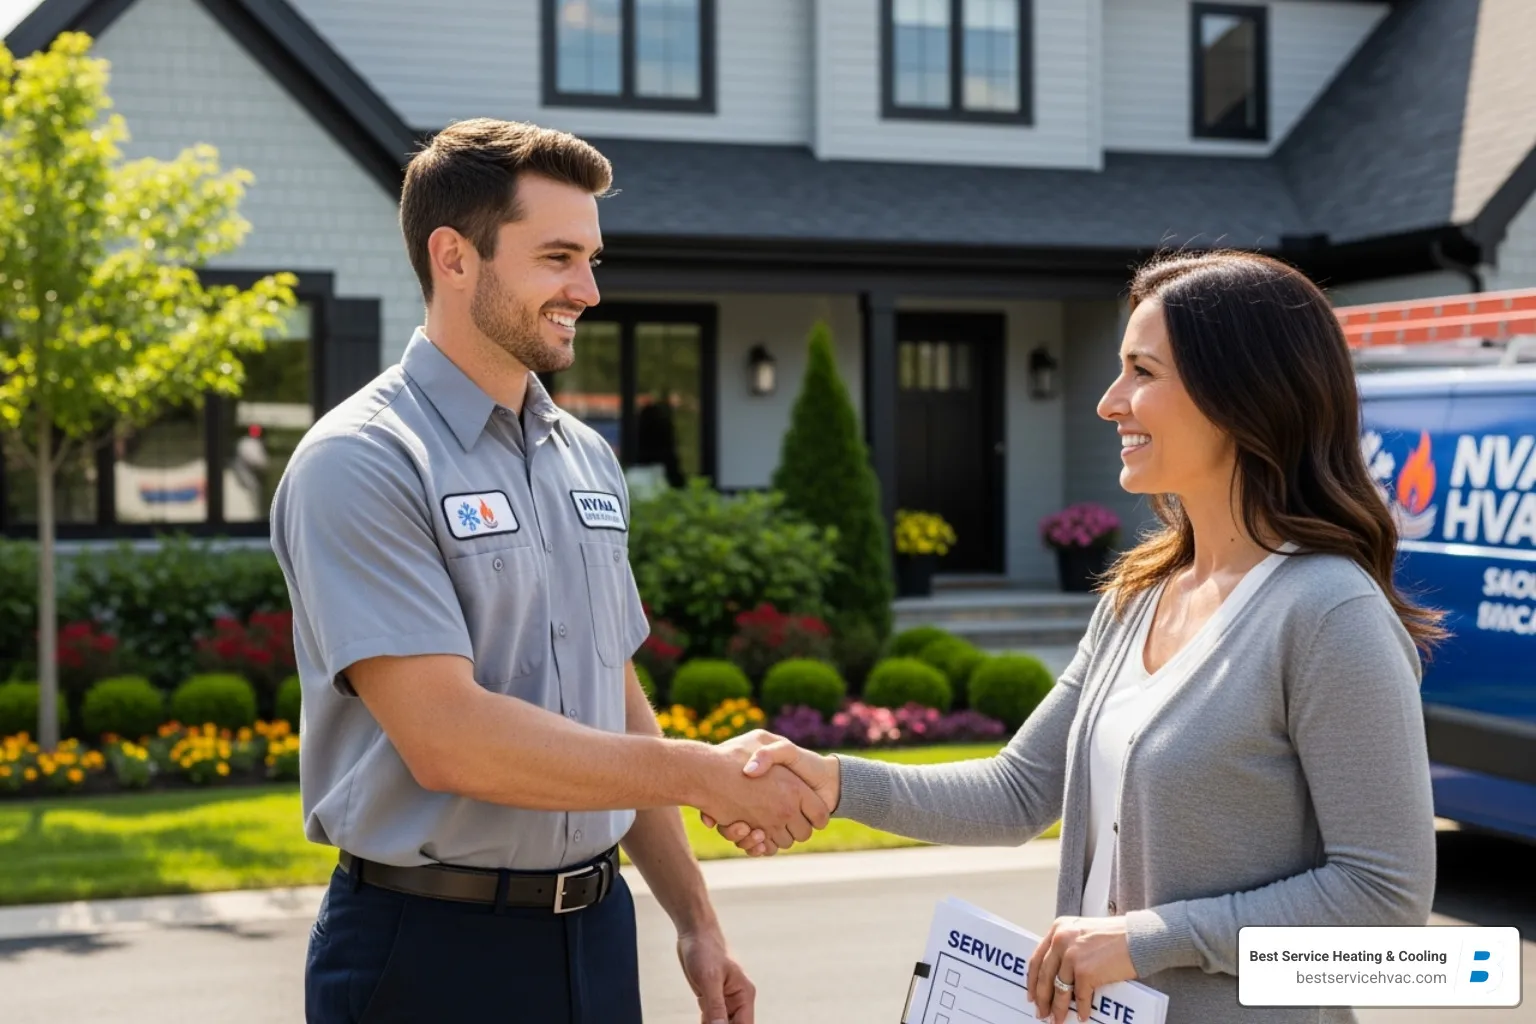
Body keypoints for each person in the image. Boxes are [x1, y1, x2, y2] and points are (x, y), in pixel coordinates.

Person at [711, 251, 1445, 1024]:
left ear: (1243, 396)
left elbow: (1384, 900)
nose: (1109, 402)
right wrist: (832, 782)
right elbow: (1020, 790)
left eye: (1142, 371)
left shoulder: (1329, 612)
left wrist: (1148, 938)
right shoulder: (1139, 592)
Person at [270, 118, 828, 1024]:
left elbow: (611, 686)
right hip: (428, 954)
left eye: (593, 258)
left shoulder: (583, 457)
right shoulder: (363, 461)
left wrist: (694, 919)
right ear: (454, 257)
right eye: (558, 257)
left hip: (596, 936)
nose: (589, 290)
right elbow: (446, 737)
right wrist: (701, 772)